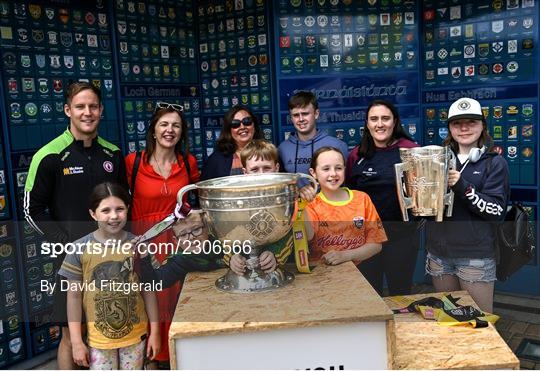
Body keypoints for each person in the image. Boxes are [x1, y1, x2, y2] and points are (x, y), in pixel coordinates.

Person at [24, 81, 128, 369]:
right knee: (72, 336)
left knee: (109, 328)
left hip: (110, 258)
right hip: (69, 263)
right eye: (80, 106)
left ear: (101, 111)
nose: (87, 112)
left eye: (93, 106)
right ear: (68, 110)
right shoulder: (48, 155)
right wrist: (68, 244)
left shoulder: (113, 154)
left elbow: (123, 203)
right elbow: (32, 211)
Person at [124, 101, 199, 367]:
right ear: (153, 130)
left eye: (176, 125)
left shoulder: (188, 163)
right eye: (164, 124)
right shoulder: (133, 163)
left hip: (178, 245)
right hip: (144, 245)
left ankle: (179, 360)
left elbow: (194, 206)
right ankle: (153, 361)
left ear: (182, 132)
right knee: (149, 305)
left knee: (178, 306)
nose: (170, 130)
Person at [58, 182, 160, 369]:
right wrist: (76, 342)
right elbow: (73, 297)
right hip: (99, 342)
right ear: (93, 213)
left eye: (119, 209)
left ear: (128, 209)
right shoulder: (79, 249)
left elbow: (149, 290)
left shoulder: (139, 245)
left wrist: (155, 331)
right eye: (105, 210)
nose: (114, 216)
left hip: (135, 336)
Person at [425, 97, 509, 313]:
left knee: (479, 324)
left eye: (471, 122)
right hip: (439, 255)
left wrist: (463, 186)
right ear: (450, 128)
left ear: (482, 126)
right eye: (457, 123)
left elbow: (496, 211)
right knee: (448, 319)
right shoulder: (436, 160)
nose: (464, 128)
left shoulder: (494, 162)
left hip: (475, 257)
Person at [346, 99, 419, 296]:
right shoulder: (356, 155)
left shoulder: (410, 150)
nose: (380, 124)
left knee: (401, 292)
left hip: (401, 237)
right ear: (367, 124)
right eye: (374, 119)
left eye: (385, 118)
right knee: (370, 294)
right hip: (365, 240)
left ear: (394, 122)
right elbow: (348, 196)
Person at [304, 147, 387, 291]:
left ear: (345, 169)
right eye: (326, 169)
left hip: (362, 277)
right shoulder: (310, 205)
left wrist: (345, 255)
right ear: (313, 173)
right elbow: (308, 237)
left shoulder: (362, 199)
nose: (333, 174)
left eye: (338, 168)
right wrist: (302, 206)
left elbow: (376, 244)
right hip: (323, 280)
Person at [226, 140, 292, 275]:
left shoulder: (286, 201)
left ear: (277, 168)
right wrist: (232, 257)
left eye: (267, 168)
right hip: (244, 273)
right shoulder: (236, 203)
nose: (261, 174)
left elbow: (292, 233)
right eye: (254, 169)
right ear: (245, 172)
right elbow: (226, 235)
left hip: (280, 272)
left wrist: (276, 255)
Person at [278, 91, 349, 201]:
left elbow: (345, 184)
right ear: (291, 118)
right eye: (296, 115)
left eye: (305, 113)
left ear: (316, 114)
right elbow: (281, 186)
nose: (301, 119)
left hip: (330, 210)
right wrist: (298, 190)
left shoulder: (337, 145)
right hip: (298, 212)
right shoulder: (283, 149)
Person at [201, 106, 263, 180]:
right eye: (235, 124)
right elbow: (206, 189)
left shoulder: (268, 153)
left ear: (254, 125)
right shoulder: (216, 160)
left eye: (247, 121)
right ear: (229, 130)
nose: (242, 127)